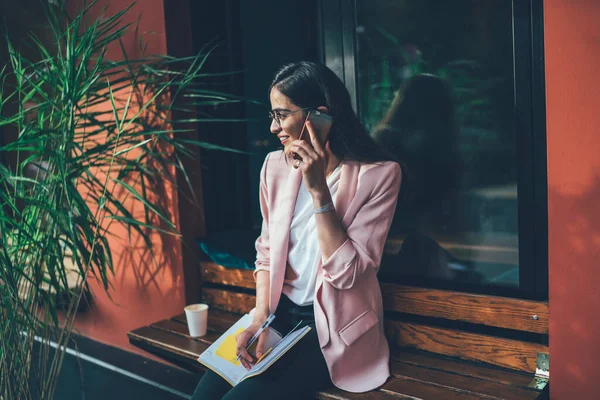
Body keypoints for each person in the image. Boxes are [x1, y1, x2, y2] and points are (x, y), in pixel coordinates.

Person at [191, 61, 402, 399]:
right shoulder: (274, 166)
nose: (274, 127)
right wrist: (259, 316)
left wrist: (319, 190)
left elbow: (349, 274)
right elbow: (266, 251)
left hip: (330, 332)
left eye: (281, 115)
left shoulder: (378, 176)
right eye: (273, 115)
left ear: (317, 116)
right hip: (277, 317)